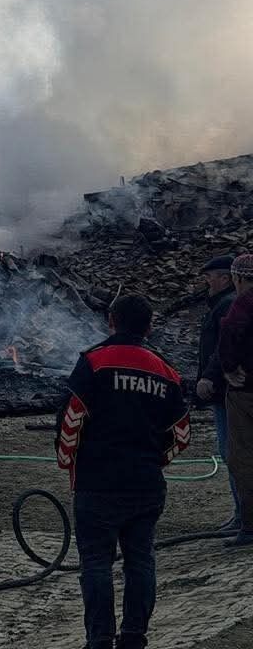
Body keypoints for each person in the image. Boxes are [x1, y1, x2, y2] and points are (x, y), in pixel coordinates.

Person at [56, 294, 191, 649]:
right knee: (141, 560)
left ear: (112, 321)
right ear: (149, 327)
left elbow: (71, 419)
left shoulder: (94, 362)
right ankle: (134, 637)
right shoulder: (166, 372)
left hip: (97, 485)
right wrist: (154, 462)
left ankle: (99, 639)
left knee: (97, 563)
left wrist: (68, 460)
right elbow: (181, 433)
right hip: (145, 484)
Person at [193, 253, 240, 530]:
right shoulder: (224, 304)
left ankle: (244, 516)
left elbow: (224, 348)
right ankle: (241, 513)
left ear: (225, 278)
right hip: (226, 391)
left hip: (227, 392)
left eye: (209, 277)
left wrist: (209, 378)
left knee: (233, 452)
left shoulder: (228, 305)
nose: (206, 282)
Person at [216, 254, 253, 547]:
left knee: (242, 457)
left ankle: (249, 525)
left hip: (246, 392)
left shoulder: (243, 303)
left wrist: (229, 369)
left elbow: (229, 331)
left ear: (238, 278)